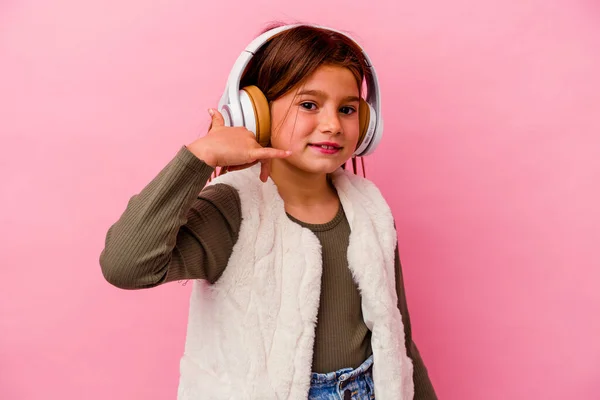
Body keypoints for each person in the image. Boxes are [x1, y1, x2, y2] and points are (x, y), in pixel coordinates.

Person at [100, 22, 437, 400]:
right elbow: (125, 265)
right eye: (309, 105)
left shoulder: (370, 209)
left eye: (347, 109)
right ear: (254, 112)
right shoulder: (232, 210)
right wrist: (202, 155)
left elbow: (398, 337)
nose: (332, 125)